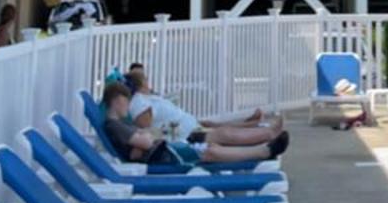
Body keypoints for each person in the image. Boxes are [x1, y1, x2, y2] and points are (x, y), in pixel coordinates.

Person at [101, 78, 288, 169]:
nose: (128, 105)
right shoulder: (114, 125)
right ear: (117, 100)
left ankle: (265, 146)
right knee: (212, 151)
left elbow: (143, 140)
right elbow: (145, 142)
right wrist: (144, 138)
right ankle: (265, 150)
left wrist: (143, 139)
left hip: (168, 148)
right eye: (125, 100)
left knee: (213, 147)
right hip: (164, 154)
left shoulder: (120, 124)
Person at [123, 62, 278, 147]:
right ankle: (266, 134)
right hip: (185, 136)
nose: (148, 81)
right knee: (224, 134)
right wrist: (177, 132)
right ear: (141, 83)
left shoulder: (147, 97)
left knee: (219, 127)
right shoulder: (139, 103)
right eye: (145, 79)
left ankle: (255, 126)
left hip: (189, 127)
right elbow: (149, 132)